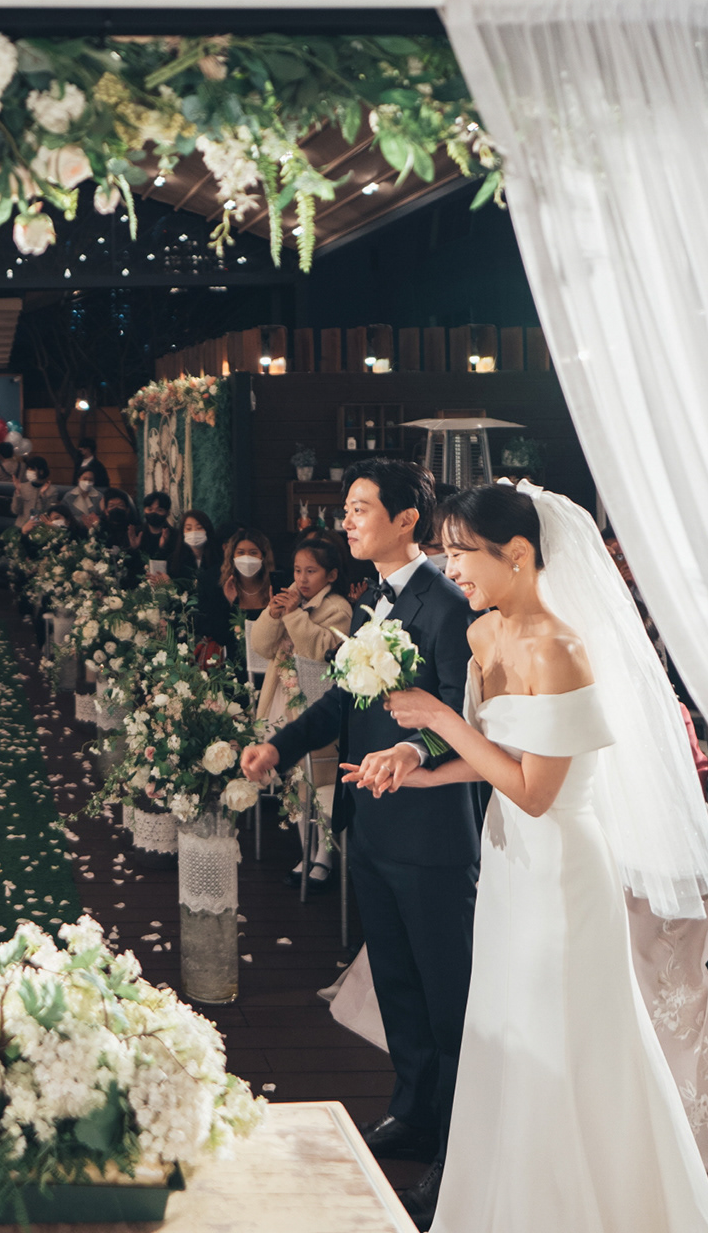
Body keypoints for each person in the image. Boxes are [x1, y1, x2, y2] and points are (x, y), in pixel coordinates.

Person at [363, 483, 708, 1233]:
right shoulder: (481, 635)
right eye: (445, 550)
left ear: (518, 555)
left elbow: (533, 790)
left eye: (461, 552)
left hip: (562, 869)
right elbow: (490, 753)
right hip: (508, 863)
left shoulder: (560, 651)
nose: (448, 566)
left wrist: (436, 718)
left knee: (564, 1036)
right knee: (507, 1031)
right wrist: (415, 760)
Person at [241, 459, 474, 1225]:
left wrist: (412, 753)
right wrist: (279, 745)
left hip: (432, 833)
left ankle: (458, 1151)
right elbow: (343, 698)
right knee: (397, 984)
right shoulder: (373, 599)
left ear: (407, 519)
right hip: (370, 824)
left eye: (361, 508)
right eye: (346, 508)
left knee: (448, 999)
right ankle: (411, 1108)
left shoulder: (449, 605)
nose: (346, 520)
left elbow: (460, 713)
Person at [245, 537, 352, 890]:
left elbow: (319, 651)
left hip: (315, 706)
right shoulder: (291, 599)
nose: (302, 579)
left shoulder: (338, 608)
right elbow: (261, 646)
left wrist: (293, 615)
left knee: (315, 782)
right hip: (281, 698)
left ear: (331, 575)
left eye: (311, 571)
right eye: (297, 571)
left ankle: (325, 855)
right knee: (293, 782)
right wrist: (273, 614)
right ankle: (307, 852)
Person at [163, 510, 230, 646]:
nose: (194, 532)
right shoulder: (174, 561)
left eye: (199, 528)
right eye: (188, 529)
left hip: (213, 621)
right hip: (185, 622)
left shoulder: (219, 559)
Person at [14, 454, 58, 531]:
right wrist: (18, 493)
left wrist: (42, 495)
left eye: (32, 469)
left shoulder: (52, 490)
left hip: (40, 530)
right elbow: (16, 510)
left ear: (41, 471)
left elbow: (49, 513)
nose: (29, 471)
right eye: (28, 469)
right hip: (21, 527)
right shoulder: (22, 487)